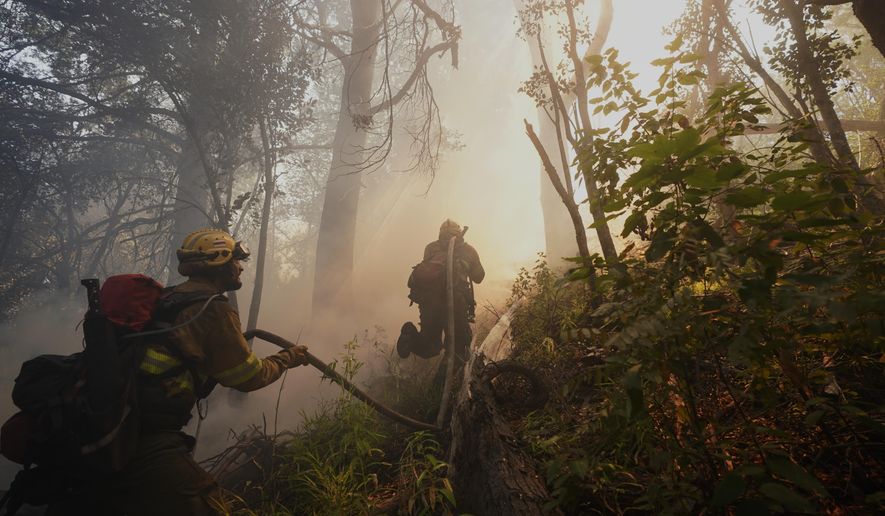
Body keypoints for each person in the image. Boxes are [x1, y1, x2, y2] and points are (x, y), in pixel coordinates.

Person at [54, 228, 309, 515]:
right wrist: (288, 358)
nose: (239, 268)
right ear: (220, 262)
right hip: (146, 440)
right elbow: (246, 377)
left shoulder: (168, 297)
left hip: (112, 424)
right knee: (207, 504)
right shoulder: (213, 309)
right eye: (235, 260)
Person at [396, 219, 484, 364]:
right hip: (456, 303)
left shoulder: (431, 248)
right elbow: (479, 277)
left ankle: (410, 335)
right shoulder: (468, 250)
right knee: (460, 349)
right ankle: (444, 384)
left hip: (429, 302)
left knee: (429, 348)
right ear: (459, 232)